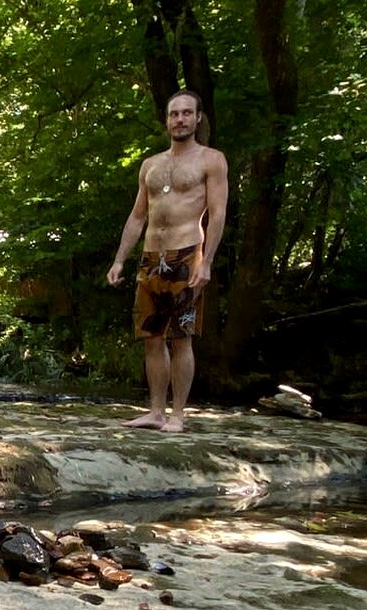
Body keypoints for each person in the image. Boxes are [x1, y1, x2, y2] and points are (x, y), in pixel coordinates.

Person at [106, 89, 228, 433]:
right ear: (167, 120)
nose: (180, 119)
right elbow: (137, 216)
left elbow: (218, 213)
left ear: (198, 118)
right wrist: (119, 260)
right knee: (151, 337)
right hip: (150, 258)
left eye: (187, 113)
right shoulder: (151, 165)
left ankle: (177, 416)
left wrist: (207, 262)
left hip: (187, 253)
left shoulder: (211, 160)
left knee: (181, 336)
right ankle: (155, 412)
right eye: (174, 114)